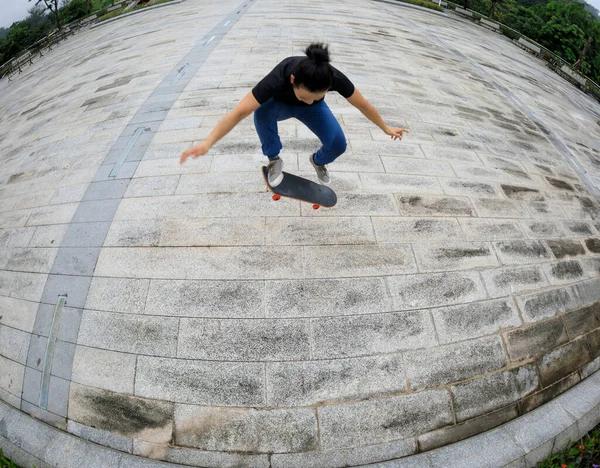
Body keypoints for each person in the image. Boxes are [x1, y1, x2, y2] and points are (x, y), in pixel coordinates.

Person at [180, 42, 409, 186]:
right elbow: (239, 112)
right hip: (279, 105)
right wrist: (208, 143)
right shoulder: (278, 77)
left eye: (316, 97)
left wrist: (385, 127)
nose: (309, 101)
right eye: (305, 96)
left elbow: (364, 105)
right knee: (260, 112)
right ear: (292, 81)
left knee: (338, 144)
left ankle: (318, 161)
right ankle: (274, 159)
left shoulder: (333, 78)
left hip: (314, 115)